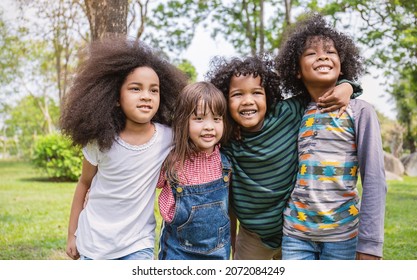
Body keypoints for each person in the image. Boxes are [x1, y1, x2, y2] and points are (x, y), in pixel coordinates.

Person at [205, 53, 362, 260]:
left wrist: (348, 87)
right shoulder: (226, 138)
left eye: (257, 92)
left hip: (294, 231)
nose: (248, 101)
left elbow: (319, 88)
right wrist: (231, 243)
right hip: (254, 236)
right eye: (237, 95)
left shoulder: (287, 113)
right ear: (225, 99)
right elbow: (227, 196)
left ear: (268, 95)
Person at [61, 36, 188, 260]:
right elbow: (84, 183)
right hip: (93, 242)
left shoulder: (168, 137)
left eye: (154, 90)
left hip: (137, 244)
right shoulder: (100, 142)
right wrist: (72, 235)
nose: (146, 97)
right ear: (116, 97)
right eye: (135, 89)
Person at [275, 13, 386, 260]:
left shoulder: (361, 111)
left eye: (330, 52)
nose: (323, 56)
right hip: (295, 234)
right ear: (296, 71)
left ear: (342, 65)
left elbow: (374, 179)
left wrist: (369, 244)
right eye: (311, 53)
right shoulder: (293, 111)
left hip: (343, 237)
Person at [157, 81, 232, 260]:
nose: (209, 126)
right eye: (199, 118)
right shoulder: (172, 161)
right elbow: (147, 183)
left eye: (216, 119)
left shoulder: (225, 161)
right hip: (178, 252)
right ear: (184, 121)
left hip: (218, 251)